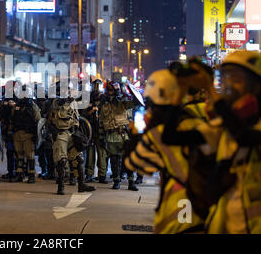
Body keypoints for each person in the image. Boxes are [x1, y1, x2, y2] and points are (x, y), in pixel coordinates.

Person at [163, 52, 261, 233]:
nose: (230, 86)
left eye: (237, 79)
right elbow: (170, 137)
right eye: (227, 78)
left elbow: (244, 137)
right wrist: (180, 92)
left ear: (256, 86)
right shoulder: (222, 128)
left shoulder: (246, 128)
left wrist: (209, 87)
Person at [125, 69, 206, 233]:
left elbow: (134, 162)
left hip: (184, 199)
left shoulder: (166, 129)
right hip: (196, 199)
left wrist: (135, 136)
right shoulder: (209, 115)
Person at [48, 81, 95, 195]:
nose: (66, 92)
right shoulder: (55, 103)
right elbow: (51, 119)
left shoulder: (72, 102)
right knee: (62, 161)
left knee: (78, 159)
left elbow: (76, 118)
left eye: (67, 90)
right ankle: (61, 186)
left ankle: (81, 184)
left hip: (71, 133)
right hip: (61, 134)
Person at [98, 81, 135, 189]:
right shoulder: (104, 106)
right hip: (110, 136)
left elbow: (134, 102)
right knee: (114, 160)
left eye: (112, 90)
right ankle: (116, 181)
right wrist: (101, 138)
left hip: (123, 135)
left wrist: (129, 94)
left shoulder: (123, 103)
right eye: (108, 90)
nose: (110, 93)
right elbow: (101, 122)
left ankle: (131, 182)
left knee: (127, 159)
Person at [10, 85, 41, 183]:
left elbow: (38, 121)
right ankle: (20, 174)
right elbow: (12, 119)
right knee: (19, 154)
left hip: (28, 134)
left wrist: (36, 135)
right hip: (17, 133)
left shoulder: (33, 106)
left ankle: (31, 174)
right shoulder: (16, 106)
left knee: (30, 155)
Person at [82, 79, 103, 183]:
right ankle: (89, 174)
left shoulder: (104, 99)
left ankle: (102, 175)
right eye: (95, 86)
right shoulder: (87, 99)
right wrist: (92, 111)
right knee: (90, 153)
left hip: (100, 130)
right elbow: (83, 115)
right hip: (90, 130)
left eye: (98, 86)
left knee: (102, 154)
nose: (97, 88)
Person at [0, 82, 17, 181]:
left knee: (18, 152)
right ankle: (11, 171)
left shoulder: (20, 99)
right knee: (9, 151)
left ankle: (18, 172)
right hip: (6, 130)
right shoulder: (4, 100)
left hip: (17, 130)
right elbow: (0, 113)